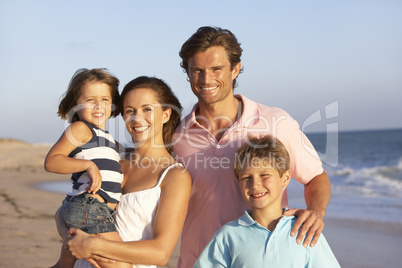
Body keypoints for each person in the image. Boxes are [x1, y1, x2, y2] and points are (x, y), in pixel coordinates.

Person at [172, 26, 332, 267]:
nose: (206, 79)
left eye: (216, 69)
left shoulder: (275, 121)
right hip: (198, 260)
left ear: (235, 69)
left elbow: (316, 178)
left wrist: (316, 213)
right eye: (197, 71)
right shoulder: (176, 136)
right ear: (188, 73)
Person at [62, 76, 191, 268]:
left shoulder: (174, 176)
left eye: (147, 109)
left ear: (166, 115)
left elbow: (160, 253)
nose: (137, 118)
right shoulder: (111, 159)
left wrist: (94, 245)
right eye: (130, 111)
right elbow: (73, 214)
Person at [194, 135, 340, 267]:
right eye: (246, 178)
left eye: (264, 175)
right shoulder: (228, 236)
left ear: (285, 178)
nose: (255, 184)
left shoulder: (305, 232)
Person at [45, 68, 130, 268]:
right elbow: (52, 161)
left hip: (92, 210)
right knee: (122, 265)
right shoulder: (80, 129)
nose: (98, 106)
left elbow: (129, 154)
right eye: (90, 100)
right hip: (89, 209)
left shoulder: (107, 138)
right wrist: (88, 165)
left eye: (105, 100)